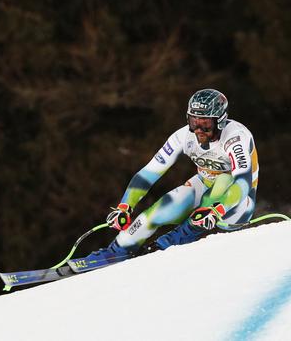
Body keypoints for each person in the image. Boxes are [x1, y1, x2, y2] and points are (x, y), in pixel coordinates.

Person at [69, 88, 259, 271]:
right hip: (205, 185)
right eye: (194, 122)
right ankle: (115, 252)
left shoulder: (235, 138)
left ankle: (170, 242)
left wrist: (218, 210)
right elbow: (149, 173)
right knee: (157, 212)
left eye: (206, 124)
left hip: (238, 205)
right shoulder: (183, 136)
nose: (199, 129)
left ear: (221, 121)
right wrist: (125, 207)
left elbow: (242, 183)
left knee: (223, 181)